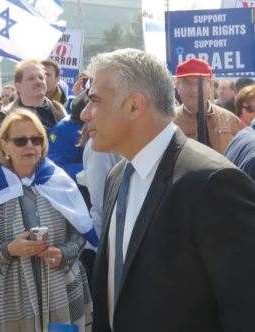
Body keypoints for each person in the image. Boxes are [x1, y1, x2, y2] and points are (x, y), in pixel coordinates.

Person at [80, 48, 255, 332]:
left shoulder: (214, 184)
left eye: (95, 100)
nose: (85, 114)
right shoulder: (117, 175)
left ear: (135, 106)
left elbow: (245, 310)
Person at [0, 109, 97, 331]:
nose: (30, 146)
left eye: (36, 139)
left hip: (62, 288)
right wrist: (10, 249)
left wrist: (63, 252)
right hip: (12, 297)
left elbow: (80, 233)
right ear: (4, 145)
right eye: (21, 141)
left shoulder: (59, 181)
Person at [0, 60, 67, 157]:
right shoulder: (4, 117)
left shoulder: (59, 111)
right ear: (18, 86)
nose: (38, 81)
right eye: (31, 78)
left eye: (41, 77)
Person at [174, 58, 242, 154]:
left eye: (199, 83)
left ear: (210, 84)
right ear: (177, 85)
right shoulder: (168, 124)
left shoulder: (230, 120)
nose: (194, 89)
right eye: (186, 82)